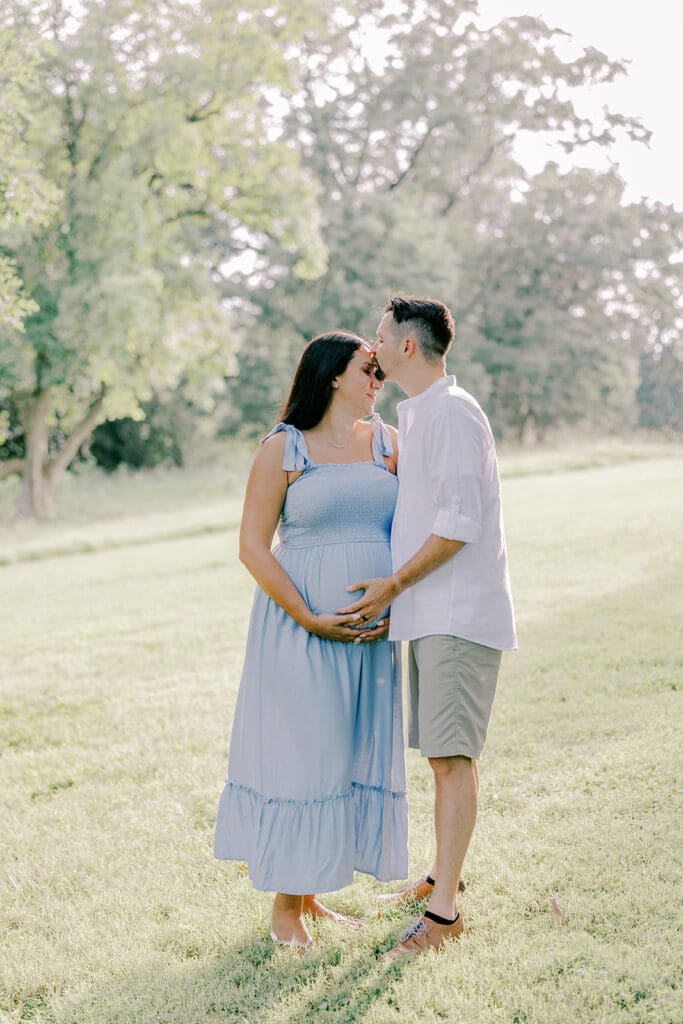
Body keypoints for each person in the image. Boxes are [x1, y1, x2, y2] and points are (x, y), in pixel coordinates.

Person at [214, 332, 409, 949]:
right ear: (331, 376)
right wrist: (307, 616)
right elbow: (252, 545)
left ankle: (310, 896)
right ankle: (285, 910)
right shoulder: (284, 447)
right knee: (306, 756)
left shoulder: (387, 443)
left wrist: (396, 600)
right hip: (299, 629)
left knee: (342, 754)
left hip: (370, 632)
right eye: (368, 370)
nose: (378, 381)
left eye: (380, 372)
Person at [337, 296, 516, 958]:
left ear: (405, 347)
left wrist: (393, 584)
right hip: (430, 614)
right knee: (442, 757)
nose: (372, 347)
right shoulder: (422, 416)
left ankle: (443, 918)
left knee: (450, 758)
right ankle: (441, 879)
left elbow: (459, 524)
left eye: (380, 337)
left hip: (457, 614)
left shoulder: (451, 414)